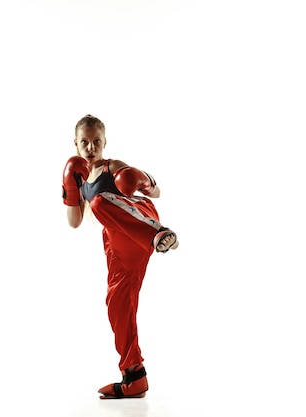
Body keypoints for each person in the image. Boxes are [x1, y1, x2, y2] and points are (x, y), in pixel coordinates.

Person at [62, 114, 179, 399]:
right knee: (117, 305)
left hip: (143, 223)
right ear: (75, 144)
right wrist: (69, 187)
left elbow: (157, 192)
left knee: (101, 201)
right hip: (116, 241)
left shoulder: (111, 167)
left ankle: (159, 234)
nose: (91, 148)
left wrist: (144, 179)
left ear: (104, 142)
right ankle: (133, 375)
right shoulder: (78, 175)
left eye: (96, 141)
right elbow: (74, 222)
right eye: (85, 142)